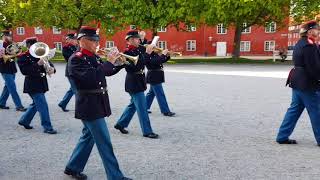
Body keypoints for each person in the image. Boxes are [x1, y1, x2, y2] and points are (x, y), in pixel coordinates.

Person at [64, 26, 131, 180]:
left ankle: (72, 167)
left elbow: (106, 72)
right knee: (105, 143)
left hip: (97, 103)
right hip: (89, 106)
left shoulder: (93, 56)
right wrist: (109, 62)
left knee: (88, 137)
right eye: (93, 40)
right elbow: (92, 77)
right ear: (82, 41)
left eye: (97, 40)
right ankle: (115, 177)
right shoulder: (76, 59)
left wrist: (120, 63)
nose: (96, 43)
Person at [276, 20, 320, 145]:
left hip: (298, 81)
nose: (318, 32)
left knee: (294, 110)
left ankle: (282, 136)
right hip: (308, 83)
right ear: (310, 31)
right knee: (317, 111)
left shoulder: (301, 43)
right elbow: (314, 68)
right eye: (317, 30)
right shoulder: (309, 46)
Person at [114, 30, 159, 139]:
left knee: (133, 105)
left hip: (138, 80)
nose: (139, 40)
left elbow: (146, 60)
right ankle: (147, 131)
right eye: (137, 38)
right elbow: (135, 66)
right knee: (142, 107)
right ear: (130, 40)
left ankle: (120, 124)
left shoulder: (138, 49)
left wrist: (152, 48)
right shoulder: (127, 52)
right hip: (133, 81)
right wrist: (147, 54)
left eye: (139, 38)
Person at [17, 37, 57, 134]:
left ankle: (24, 120)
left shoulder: (40, 54)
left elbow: (50, 65)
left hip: (42, 83)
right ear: (28, 46)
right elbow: (24, 71)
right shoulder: (23, 57)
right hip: (32, 84)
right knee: (42, 104)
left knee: (36, 104)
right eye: (33, 45)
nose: (36, 47)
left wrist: (52, 69)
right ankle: (47, 127)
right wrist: (38, 64)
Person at [145, 43, 176, 117]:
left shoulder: (155, 54)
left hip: (157, 76)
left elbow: (162, 60)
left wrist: (167, 56)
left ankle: (144, 107)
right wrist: (163, 54)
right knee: (160, 94)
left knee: (151, 94)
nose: (156, 48)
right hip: (154, 76)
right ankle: (165, 111)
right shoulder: (148, 55)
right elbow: (156, 61)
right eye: (154, 47)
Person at [0, 30, 26, 111]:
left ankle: (1, 103)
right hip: (5, 69)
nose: (10, 38)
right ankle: (19, 106)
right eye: (9, 36)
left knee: (7, 87)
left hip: (12, 68)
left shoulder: (10, 44)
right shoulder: (1, 45)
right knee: (12, 88)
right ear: (4, 36)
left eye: (11, 36)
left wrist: (19, 48)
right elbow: (3, 57)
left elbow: (17, 54)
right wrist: (15, 54)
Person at [58, 33, 78, 112]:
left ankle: (63, 103)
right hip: (71, 71)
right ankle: (79, 108)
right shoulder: (66, 48)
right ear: (69, 40)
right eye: (73, 39)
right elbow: (71, 58)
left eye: (75, 39)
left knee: (72, 89)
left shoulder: (77, 47)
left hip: (78, 70)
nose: (75, 41)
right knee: (77, 90)